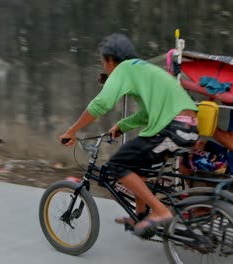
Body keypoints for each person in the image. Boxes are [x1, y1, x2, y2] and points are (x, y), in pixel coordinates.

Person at [59, 33, 199, 236]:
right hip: (188, 129)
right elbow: (147, 113)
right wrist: (122, 125)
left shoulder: (123, 68)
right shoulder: (145, 69)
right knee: (136, 167)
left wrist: (72, 131)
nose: (104, 67)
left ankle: (160, 211)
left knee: (117, 165)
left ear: (109, 59)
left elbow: (101, 104)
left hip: (173, 128)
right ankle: (140, 217)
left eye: (103, 62)